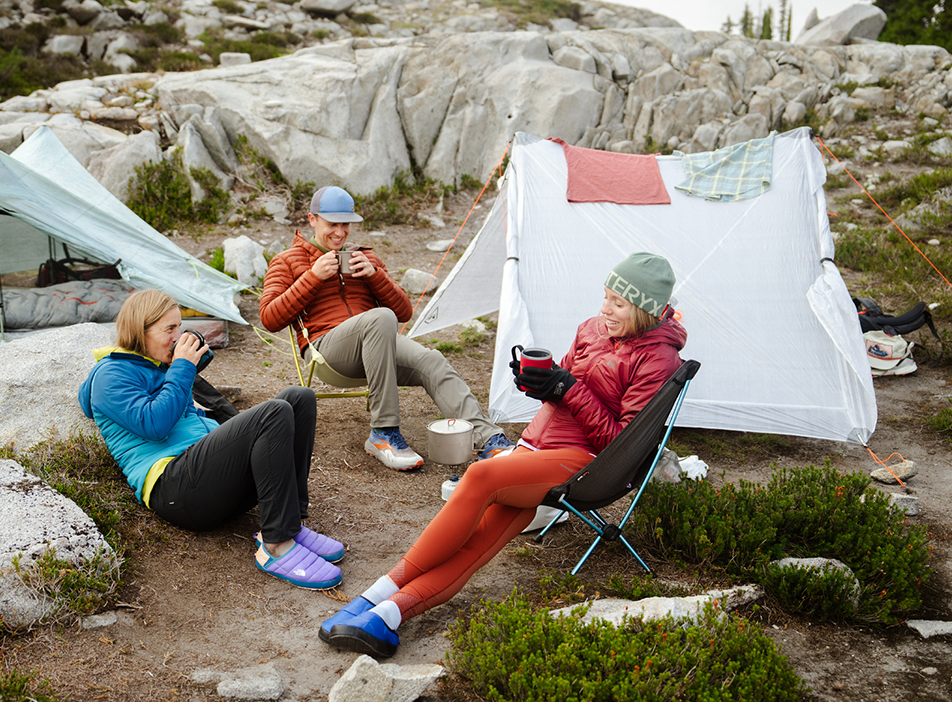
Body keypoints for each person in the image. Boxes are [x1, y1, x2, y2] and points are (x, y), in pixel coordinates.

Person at [317, 252, 687, 657]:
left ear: (645, 309)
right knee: (476, 545)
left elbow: (620, 443)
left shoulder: (658, 358)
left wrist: (567, 389)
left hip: (584, 463)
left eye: (618, 303)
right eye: (606, 296)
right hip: (537, 450)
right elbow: (565, 383)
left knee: (479, 476)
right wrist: (541, 384)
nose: (605, 308)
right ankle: (384, 615)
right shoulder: (592, 329)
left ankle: (375, 593)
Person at [78, 289, 344, 590]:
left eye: (179, 327)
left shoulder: (159, 364)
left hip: (206, 474)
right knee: (273, 412)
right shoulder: (110, 376)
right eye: (169, 329)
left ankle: (290, 522)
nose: (177, 337)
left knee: (299, 398)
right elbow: (154, 425)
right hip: (176, 489)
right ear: (141, 331)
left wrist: (185, 361)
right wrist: (181, 367)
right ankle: (276, 545)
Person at [260, 185, 512, 471]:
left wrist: (375, 275)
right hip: (328, 352)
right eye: (332, 224)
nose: (340, 233)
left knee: (432, 360)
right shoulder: (287, 261)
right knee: (379, 318)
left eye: (346, 224)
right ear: (312, 219)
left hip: (377, 346)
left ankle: (490, 441)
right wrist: (313, 277)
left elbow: (404, 312)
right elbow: (269, 318)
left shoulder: (364, 257)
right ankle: (383, 433)